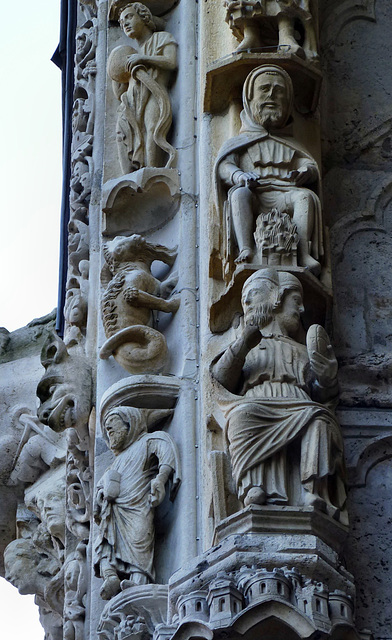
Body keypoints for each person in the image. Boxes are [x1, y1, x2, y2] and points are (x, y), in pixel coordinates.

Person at [211, 269, 347, 520]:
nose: (302, 309)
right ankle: (254, 486)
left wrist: (326, 375)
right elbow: (220, 380)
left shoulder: (301, 349)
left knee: (320, 419)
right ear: (276, 299)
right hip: (257, 402)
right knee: (242, 415)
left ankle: (312, 489)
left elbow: (320, 393)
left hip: (299, 402)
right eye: (296, 301)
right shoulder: (246, 345)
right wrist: (243, 343)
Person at [215, 65, 323, 274]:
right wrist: (239, 175)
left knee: (304, 198)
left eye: (279, 90)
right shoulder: (241, 141)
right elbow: (224, 166)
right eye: (264, 89)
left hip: (285, 194)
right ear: (249, 98)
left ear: (288, 101)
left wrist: (305, 172)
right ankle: (246, 248)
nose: (272, 95)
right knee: (239, 195)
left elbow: (307, 164)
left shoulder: (291, 142)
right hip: (256, 194)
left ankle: (302, 252)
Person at [93, 406, 180, 600]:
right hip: (114, 510)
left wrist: (160, 478)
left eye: (113, 427)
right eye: (107, 430)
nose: (109, 433)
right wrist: (100, 496)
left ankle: (139, 582)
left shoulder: (148, 442)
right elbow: (100, 486)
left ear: (129, 424)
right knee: (104, 543)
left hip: (138, 506)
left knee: (140, 539)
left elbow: (166, 451)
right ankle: (110, 576)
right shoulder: (115, 462)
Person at [108, 3, 177, 173]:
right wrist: (115, 73)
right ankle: (128, 176)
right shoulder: (130, 54)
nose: (125, 24)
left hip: (154, 94)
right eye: (122, 22)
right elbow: (119, 93)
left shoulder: (162, 38)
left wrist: (143, 58)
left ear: (144, 17)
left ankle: (152, 172)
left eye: (130, 17)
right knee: (122, 134)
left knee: (152, 129)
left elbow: (171, 62)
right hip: (131, 101)